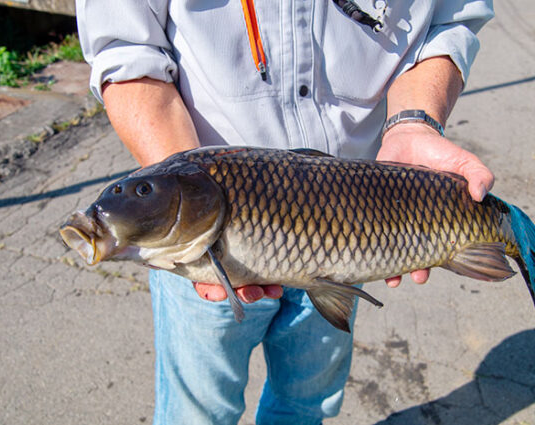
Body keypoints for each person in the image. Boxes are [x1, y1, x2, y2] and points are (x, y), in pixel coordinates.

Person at [76, 0, 495, 423]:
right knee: (198, 413)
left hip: (360, 220)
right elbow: (126, 49)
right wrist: (175, 175)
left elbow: (448, 21)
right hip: (210, 215)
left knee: (305, 404)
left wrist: (414, 122)